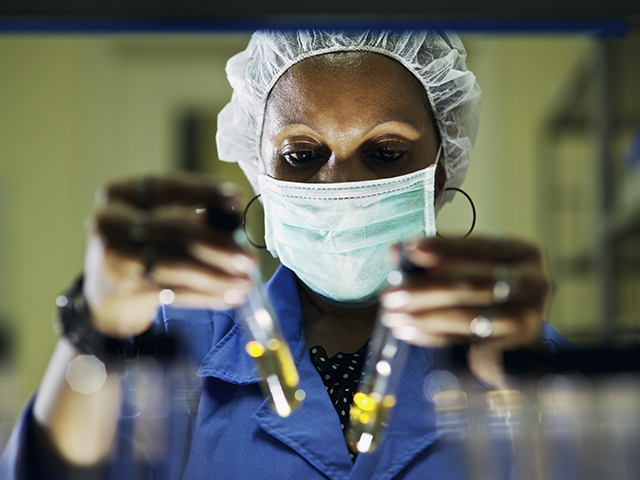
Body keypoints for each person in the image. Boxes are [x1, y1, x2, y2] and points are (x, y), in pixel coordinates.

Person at [0, 30, 573, 479]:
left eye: (386, 151)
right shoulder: (172, 339)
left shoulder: (525, 353)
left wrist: (530, 389)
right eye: (301, 154)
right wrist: (94, 324)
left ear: (440, 168)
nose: (338, 184)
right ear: (259, 173)